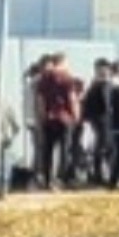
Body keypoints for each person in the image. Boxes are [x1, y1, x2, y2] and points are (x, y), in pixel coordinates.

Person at [37, 53, 78, 189]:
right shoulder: (67, 78)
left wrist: (42, 116)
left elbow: (41, 100)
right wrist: (76, 115)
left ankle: (47, 179)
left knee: (48, 150)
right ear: (63, 62)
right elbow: (71, 98)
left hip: (49, 118)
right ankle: (61, 179)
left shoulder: (44, 79)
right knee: (64, 150)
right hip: (64, 118)